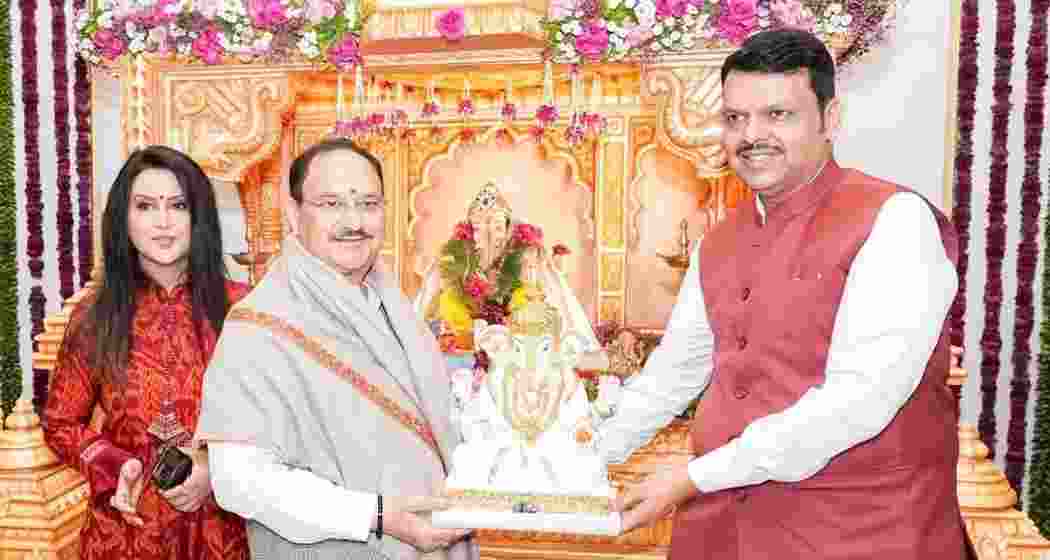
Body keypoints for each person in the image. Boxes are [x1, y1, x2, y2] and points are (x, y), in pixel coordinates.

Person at [598, 29, 977, 559]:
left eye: (778, 115)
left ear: (830, 118)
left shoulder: (894, 221)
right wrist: (581, 457)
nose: (752, 135)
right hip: (727, 533)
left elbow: (860, 400)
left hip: (862, 534)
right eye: (735, 118)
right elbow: (672, 376)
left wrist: (694, 477)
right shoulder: (718, 242)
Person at [195, 138, 475, 559]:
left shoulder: (394, 305)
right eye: (331, 204)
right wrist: (377, 515)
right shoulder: (258, 328)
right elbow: (240, 481)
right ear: (294, 215)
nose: (354, 221)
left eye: (368, 204)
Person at [42, 145, 250, 559]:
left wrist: (215, 466)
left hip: (218, 528)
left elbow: (277, 420)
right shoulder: (96, 317)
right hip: (125, 530)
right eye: (145, 206)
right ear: (124, 218)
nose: (163, 222)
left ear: (199, 217)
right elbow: (60, 422)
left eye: (178, 205)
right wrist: (115, 464)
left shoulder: (242, 310)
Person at [413, 182, 608, 370]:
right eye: (478, 228)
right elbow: (431, 305)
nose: (488, 235)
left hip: (518, 348)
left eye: (497, 227)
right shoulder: (458, 257)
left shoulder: (522, 255)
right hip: (467, 346)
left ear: (507, 229)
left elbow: (543, 303)